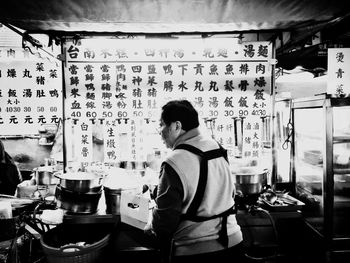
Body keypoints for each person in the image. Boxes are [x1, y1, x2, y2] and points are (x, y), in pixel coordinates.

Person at [144, 100, 243, 263]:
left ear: (176, 126)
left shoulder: (174, 161)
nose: (160, 132)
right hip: (234, 243)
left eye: (161, 125)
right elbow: (228, 192)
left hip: (196, 252)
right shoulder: (216, 147)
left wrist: (152, 223)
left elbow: (164, 223)